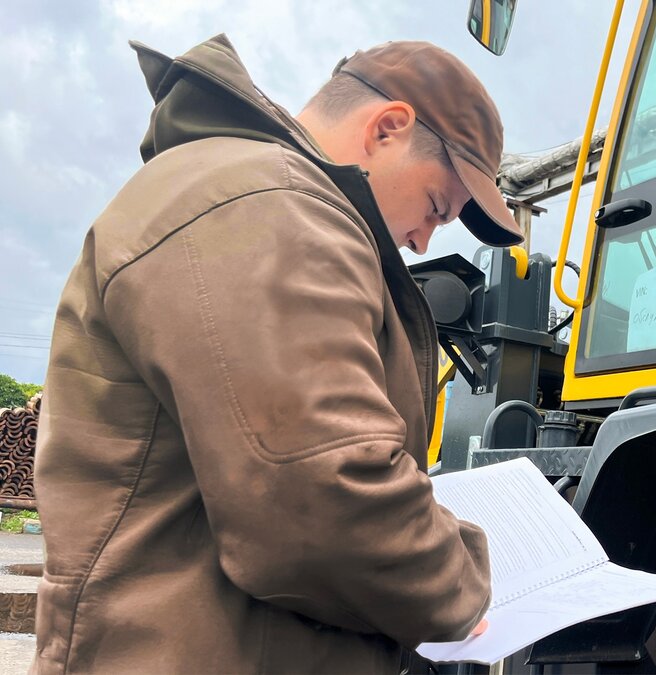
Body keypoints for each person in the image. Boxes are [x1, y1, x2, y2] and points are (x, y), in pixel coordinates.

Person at [33, 34, 522, 673]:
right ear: (388, 128)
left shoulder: (243, 194)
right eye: (437, 205)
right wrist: (462, 585)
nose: (425, 241)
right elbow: (321, 495)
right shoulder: (272, 208)